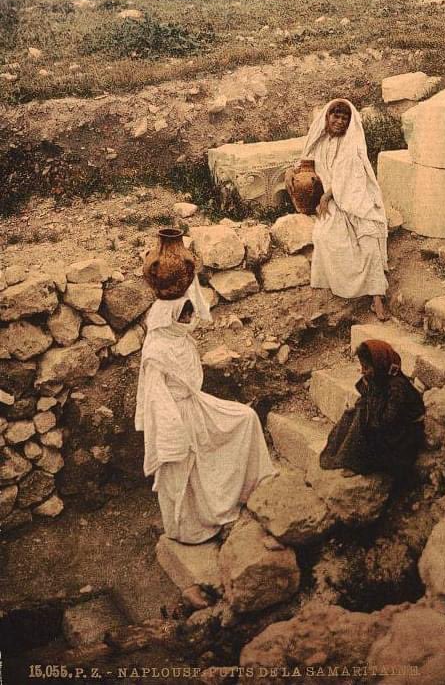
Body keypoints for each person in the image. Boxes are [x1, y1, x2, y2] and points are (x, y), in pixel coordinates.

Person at [135, 277, 276, 544]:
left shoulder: (181, 338)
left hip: (195, 404)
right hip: (173, 416)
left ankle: (248, 489)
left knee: (245, 418)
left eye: (189, 313)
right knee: (185, 465)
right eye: (184, 315)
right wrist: (172, 432)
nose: (189, 319)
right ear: (171, 316)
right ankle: (190, 527)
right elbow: (156, 398)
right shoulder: (156, 350)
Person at [287, 98, 389, 320]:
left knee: (369, 237)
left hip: (353, 197)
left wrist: (327, 195)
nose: (340, 121)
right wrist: (292, 172)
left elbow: (350, 178)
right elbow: (306, 164)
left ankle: (377, 298)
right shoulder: (321, 141)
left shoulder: (351, 144)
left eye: (345, 118)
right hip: (332, 201)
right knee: (325, 236)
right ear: (327, 116)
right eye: (336, 116)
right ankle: (332, 290)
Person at [319, 340, 425, 477]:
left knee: (363, 419)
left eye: (366, 367)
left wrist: (368, 414)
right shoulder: (381, 377)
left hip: (403, 439)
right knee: (351, 414)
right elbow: (367, 397)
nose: (363, 371)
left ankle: (357, 463)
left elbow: (389, 421)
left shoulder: (397, 387)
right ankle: (341, 455)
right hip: (390, 429)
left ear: (379, 364)